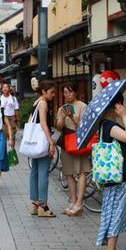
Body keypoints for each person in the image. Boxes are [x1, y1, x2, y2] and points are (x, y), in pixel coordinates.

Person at [95, 92, 126, 250]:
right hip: (121, 177)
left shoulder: (103, 125)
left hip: (113, 177)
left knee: (112, 212)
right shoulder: (110, 125)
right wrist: (125, 116)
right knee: (117, 214)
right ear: (117, 105)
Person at [56, 84, 91, 216]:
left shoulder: (83, 106)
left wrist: (71, 117)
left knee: (81, 171)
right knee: (68, 172)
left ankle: (79, 203)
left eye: (69, 92)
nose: (67, 95)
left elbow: (84, 126)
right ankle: (73, 201)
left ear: (75, 93)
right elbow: (59, 127)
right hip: (66, 141)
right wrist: (64, 117)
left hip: (79, 141)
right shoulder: (62, 108)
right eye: (65, 93)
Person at [28, 80, 57, 217]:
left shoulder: (36, 102)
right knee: (43, 173)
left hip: (35, 142)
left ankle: (34, 203)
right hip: (42, 141)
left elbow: (30, 121)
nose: (53, 95)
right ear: (44, 92)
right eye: (51, 92)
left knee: (35, 172)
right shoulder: (44, 103)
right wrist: (50, 141)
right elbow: (44, 124)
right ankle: (43, 206)